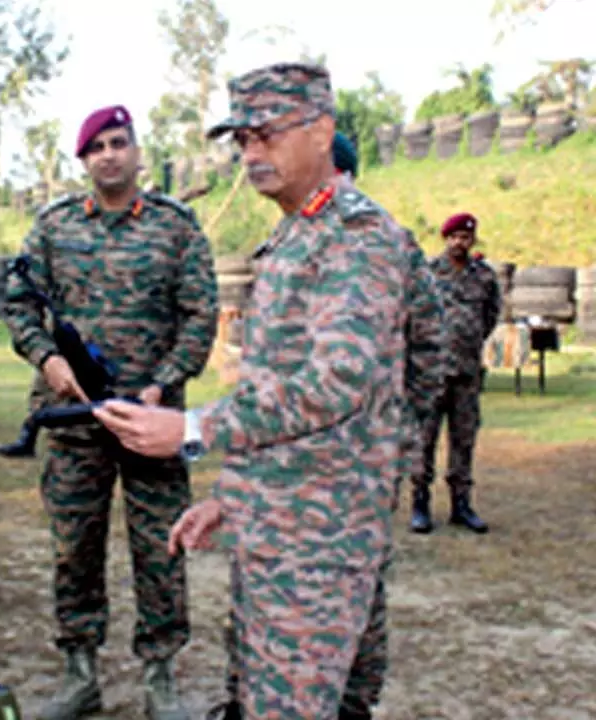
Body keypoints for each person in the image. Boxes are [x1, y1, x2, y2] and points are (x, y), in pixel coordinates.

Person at [93, 63, 412, 719]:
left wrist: (191, 429)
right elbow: (275, 391)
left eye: (266, 134)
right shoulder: (294, 235)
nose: (251, 154)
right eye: (242, 139)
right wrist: (233, 495)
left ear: (322, 132)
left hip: (319, 548)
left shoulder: (355, 236)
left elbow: (336, 381)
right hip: (280, 530)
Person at [212, 130, 447, 720]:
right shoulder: (291, 241)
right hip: (285, 481)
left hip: (337, 483)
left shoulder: (366, 240)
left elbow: (426, 343)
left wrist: (389, 431)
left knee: (342, 612)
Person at [3, 104, 219, 720]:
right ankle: (79, 672)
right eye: (96, 147)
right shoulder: (53, 227)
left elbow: (199, 315)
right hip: (74, 419)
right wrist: (47, 360)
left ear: (136, 151)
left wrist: (161, 384)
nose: (109, 155)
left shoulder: (176, 228)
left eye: (118, 142)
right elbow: (18, 302)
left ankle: (160, 677)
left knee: (161, 547)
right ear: (83, 160)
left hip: (152, 423)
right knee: (74, 546)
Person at [410, 212, 499, 534]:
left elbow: (490, 317)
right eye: (455, 237)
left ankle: (461, 505)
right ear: (446, 239)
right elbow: (414, 316)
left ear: (473, 240)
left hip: (466, 375)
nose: (461, 242)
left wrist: (467, 343)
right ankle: (420, 504)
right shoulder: (429, 273)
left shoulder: (484, 277)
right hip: (431, 375)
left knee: (464, 441)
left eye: (466, 237)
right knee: (424, 441)